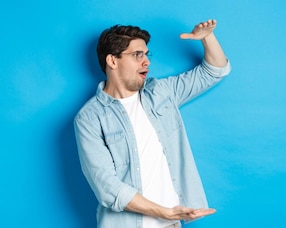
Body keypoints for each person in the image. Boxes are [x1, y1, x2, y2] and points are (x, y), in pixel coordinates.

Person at [74, 19, 231, 228]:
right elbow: (107, 187)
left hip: (171, 224)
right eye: (137, 55)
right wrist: (163, 212)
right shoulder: (89, 118)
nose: (146, 62)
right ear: (113, 61)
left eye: (147, 54)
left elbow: (215, 71)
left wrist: (207, 38)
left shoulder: (161, 92)